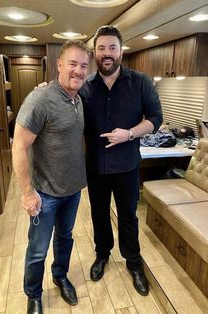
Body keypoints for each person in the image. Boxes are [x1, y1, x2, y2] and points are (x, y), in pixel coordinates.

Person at [79, 25, 163, 296]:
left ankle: (134, 262)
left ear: (121, 51)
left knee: (128, 216)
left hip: (127, 166)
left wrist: (129, 134)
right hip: (96, 167)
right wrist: (46, 90)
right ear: (94, 53)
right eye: (101, 48)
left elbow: (155, 118)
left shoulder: (140, 81)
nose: (107, 53)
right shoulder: (85, 86)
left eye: (112, 47)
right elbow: (63, 101)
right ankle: (102, 255)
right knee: (99, 214)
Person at [12, 40, 89, 314]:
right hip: (44, 194)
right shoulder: (40, 99)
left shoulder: (79, 98)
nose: (78, 71)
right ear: (59, 65)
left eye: (83, 66)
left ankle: (60, 276)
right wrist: (27, 192)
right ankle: (33, 294)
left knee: (65, 238)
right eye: (72, 64)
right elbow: (19, 146)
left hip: (73, 190)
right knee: (37, 249)